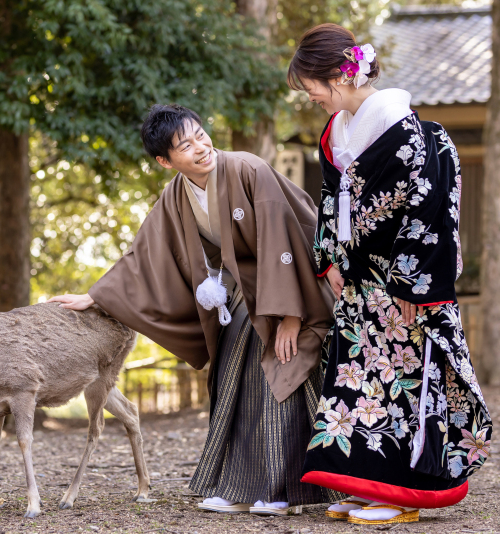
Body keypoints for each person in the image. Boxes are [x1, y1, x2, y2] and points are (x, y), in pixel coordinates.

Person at [49, 104, 342, 515]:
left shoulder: (247, 169)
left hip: (289, 287)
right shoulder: (176, 195)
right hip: (248, 292)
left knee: (279, 367)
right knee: (229, 374)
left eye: (200, 135)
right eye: (184, 146)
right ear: (166, 162)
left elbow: (285, 237)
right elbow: (145, 253)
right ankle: (239, 485)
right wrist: (96, 296)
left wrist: (291, 316)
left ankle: (283, 491)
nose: (200, 147)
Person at [287, 24, 492, 525]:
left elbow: (434, 212)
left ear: (338, 74)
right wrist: (331, 258)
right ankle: (367, 482)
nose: (308, 95)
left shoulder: (420, 135)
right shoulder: (336, 134)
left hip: (403, 288)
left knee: (403, 380)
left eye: (309, 84)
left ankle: (405, 493)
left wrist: (412, 284)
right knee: (359, 385)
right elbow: (330, 205)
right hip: (359, 287)